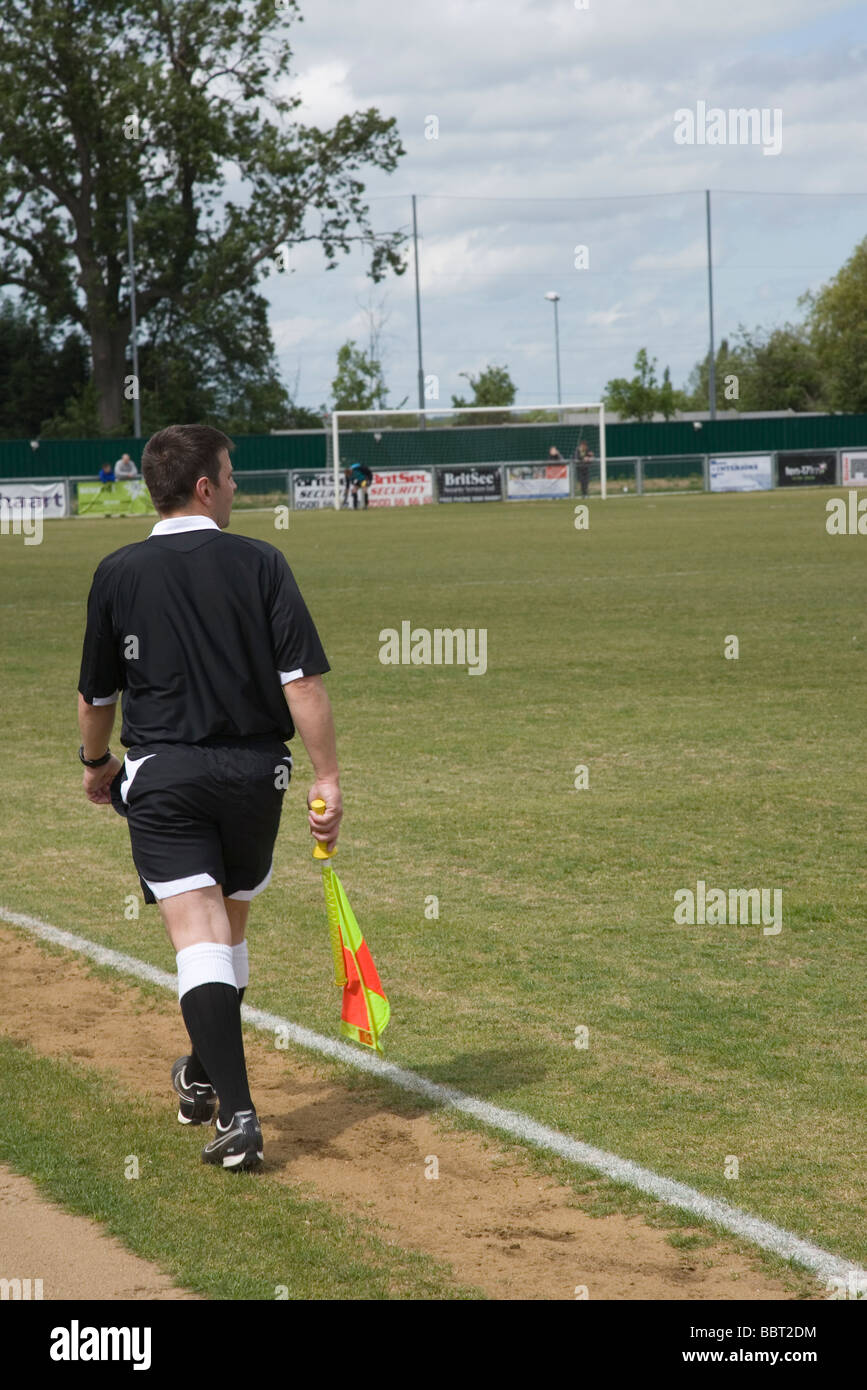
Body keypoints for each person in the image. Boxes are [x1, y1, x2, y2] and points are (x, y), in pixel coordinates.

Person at [77, 423, 342, 1173]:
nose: (235, 487)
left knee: (201, 941)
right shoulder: (261, 561)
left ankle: (239, 1115)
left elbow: (96, 694)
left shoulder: (118, 571)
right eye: (229, 475)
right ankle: (202, 1075)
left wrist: (95, 763)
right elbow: (304, 684)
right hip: (260, 775)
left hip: (167, 775)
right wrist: (325, 779)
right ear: (203, 485)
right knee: (225, 937)